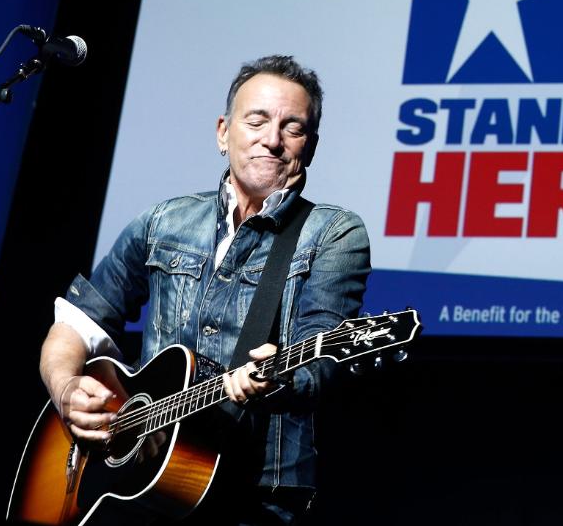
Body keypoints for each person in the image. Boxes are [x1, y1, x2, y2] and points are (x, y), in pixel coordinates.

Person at [37, 55, 371, 524]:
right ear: (222, 132)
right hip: (143, 484)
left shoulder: (334, 233)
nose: (272, 140)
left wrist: (277, 378)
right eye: (257, 120)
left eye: (292, 128)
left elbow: (323, 363)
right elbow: (76, 324)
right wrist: (67, 387)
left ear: (309, 147)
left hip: (256, 497)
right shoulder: (163, 221)